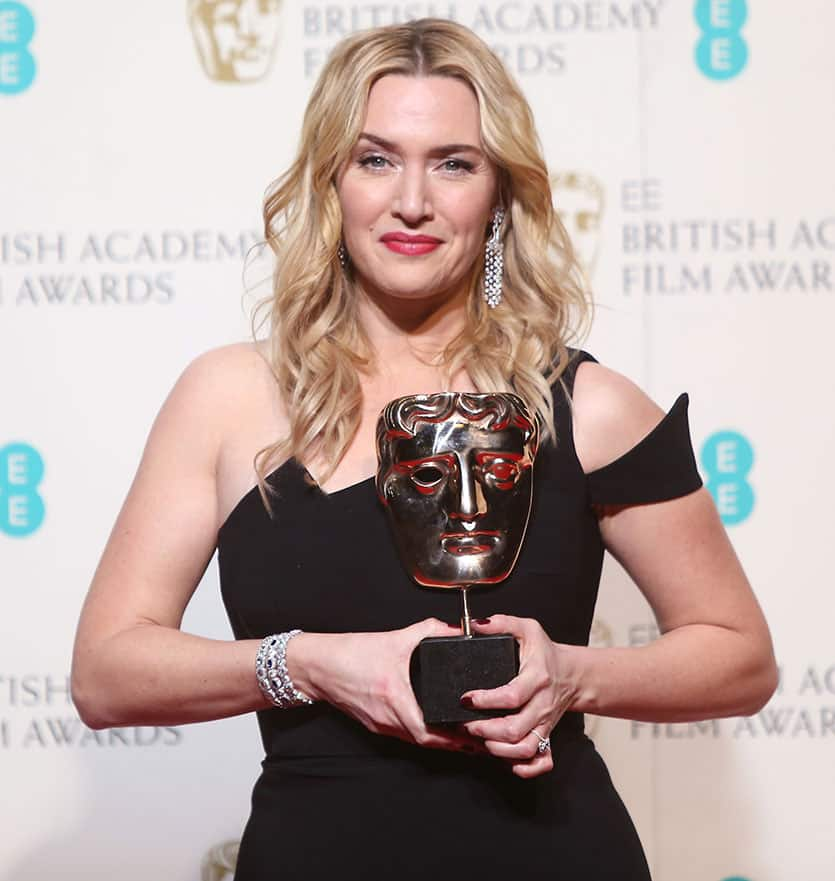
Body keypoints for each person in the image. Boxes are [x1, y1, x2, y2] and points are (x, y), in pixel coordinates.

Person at [71, 18, 778, 881]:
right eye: (375, 159)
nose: (412, 200)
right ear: (331, 181)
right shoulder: (228, 398)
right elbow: (106, 675)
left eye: (453, 162)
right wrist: (308, 663)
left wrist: (571, 676)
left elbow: (739, 655)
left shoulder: (585, 406)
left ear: (498, 193)